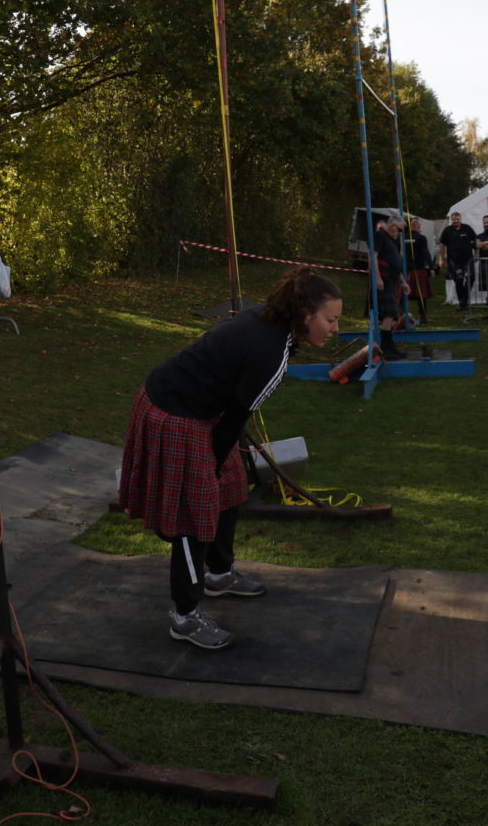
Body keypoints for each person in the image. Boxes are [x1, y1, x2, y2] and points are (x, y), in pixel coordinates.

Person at [118, 266, 343, 651]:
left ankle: (219, 574)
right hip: (174, 412)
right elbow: (235, 419)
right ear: (306, 315)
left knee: (233, 484)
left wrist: (220, 464)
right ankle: (185, 616)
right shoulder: (271, 354)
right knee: (193, 513)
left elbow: (231, 404)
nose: (335, 328)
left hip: (201, 410)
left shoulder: (269, 325)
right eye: (331, 320)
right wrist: (211, 465)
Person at [367, 215, 410, 360]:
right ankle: (385, 347)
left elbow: (394, 263)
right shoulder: (380, 235)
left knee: (391, 314)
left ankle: (389, 346)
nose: (400, 233)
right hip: (383, 279)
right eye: (400, 229)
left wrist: (403, 282)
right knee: (388, 313)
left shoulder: (392, 240)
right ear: (392, 226)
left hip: (391, 280)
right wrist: (377, 277)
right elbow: (373, 256)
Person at [438, 212, 477, 311]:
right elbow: (442, 245)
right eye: (454, 219)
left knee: (471, 279)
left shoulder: (467, 228)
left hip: (468, 260)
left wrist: (477, 254)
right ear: (451, 220)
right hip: (454, 262)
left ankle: (464, 301)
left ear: (461, 219)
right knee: (458, 282)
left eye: (458, 219)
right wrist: (441, 258)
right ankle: (462, 304)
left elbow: (476, 240)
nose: (456, 220)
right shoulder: (447, 230)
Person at [403, 217, 434, 323]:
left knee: (404, 293)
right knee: (422, 295)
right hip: (419, 270)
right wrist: (431, 267)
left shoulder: (402, 237)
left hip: (405, 270)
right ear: (418, 226)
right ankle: (423, 316)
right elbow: (425, 253)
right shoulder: (421, 238)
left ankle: (402, 315)